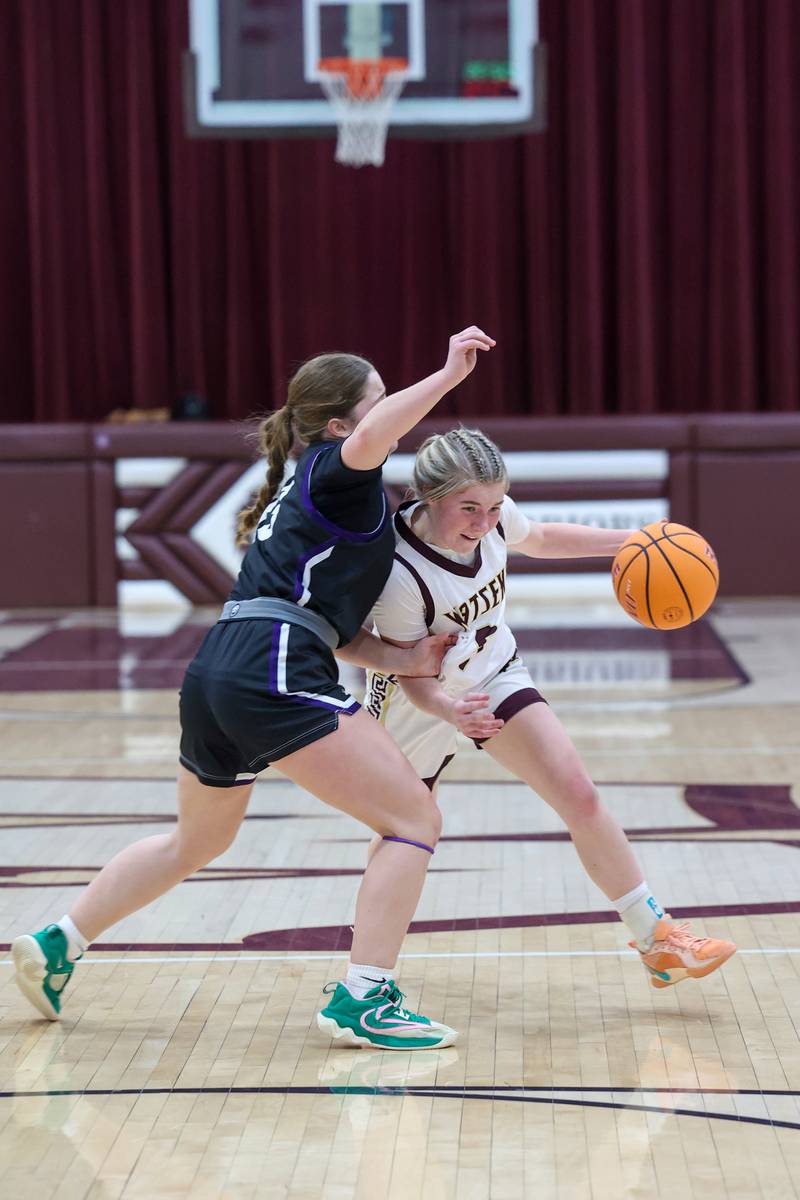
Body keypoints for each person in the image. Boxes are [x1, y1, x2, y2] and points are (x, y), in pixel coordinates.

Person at [11, 328, 496, 1050]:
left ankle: (60, 941)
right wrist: (449, 374)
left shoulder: (330, 492)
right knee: (414, 820)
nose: (389, 408)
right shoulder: (338, 467)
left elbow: (330, 630)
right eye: (376, 400)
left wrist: (405, 657)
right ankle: (365, 997)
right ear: (341, 425)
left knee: (198, 839)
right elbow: (387, 428)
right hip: (270, 664)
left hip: (225, 664)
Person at [364, 427, 737, 989]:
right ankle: (366, 972)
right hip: (416, 702)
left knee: (578, 793)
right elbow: (409, 673)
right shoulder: (399, 575)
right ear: (428, 497)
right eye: (469, 509)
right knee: (404, 834)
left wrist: (633, 542)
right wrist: (448, 711)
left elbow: (538, 537)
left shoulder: (490, 514)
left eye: (494, 508)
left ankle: (655, 937)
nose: (485, 523)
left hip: (492, 670)